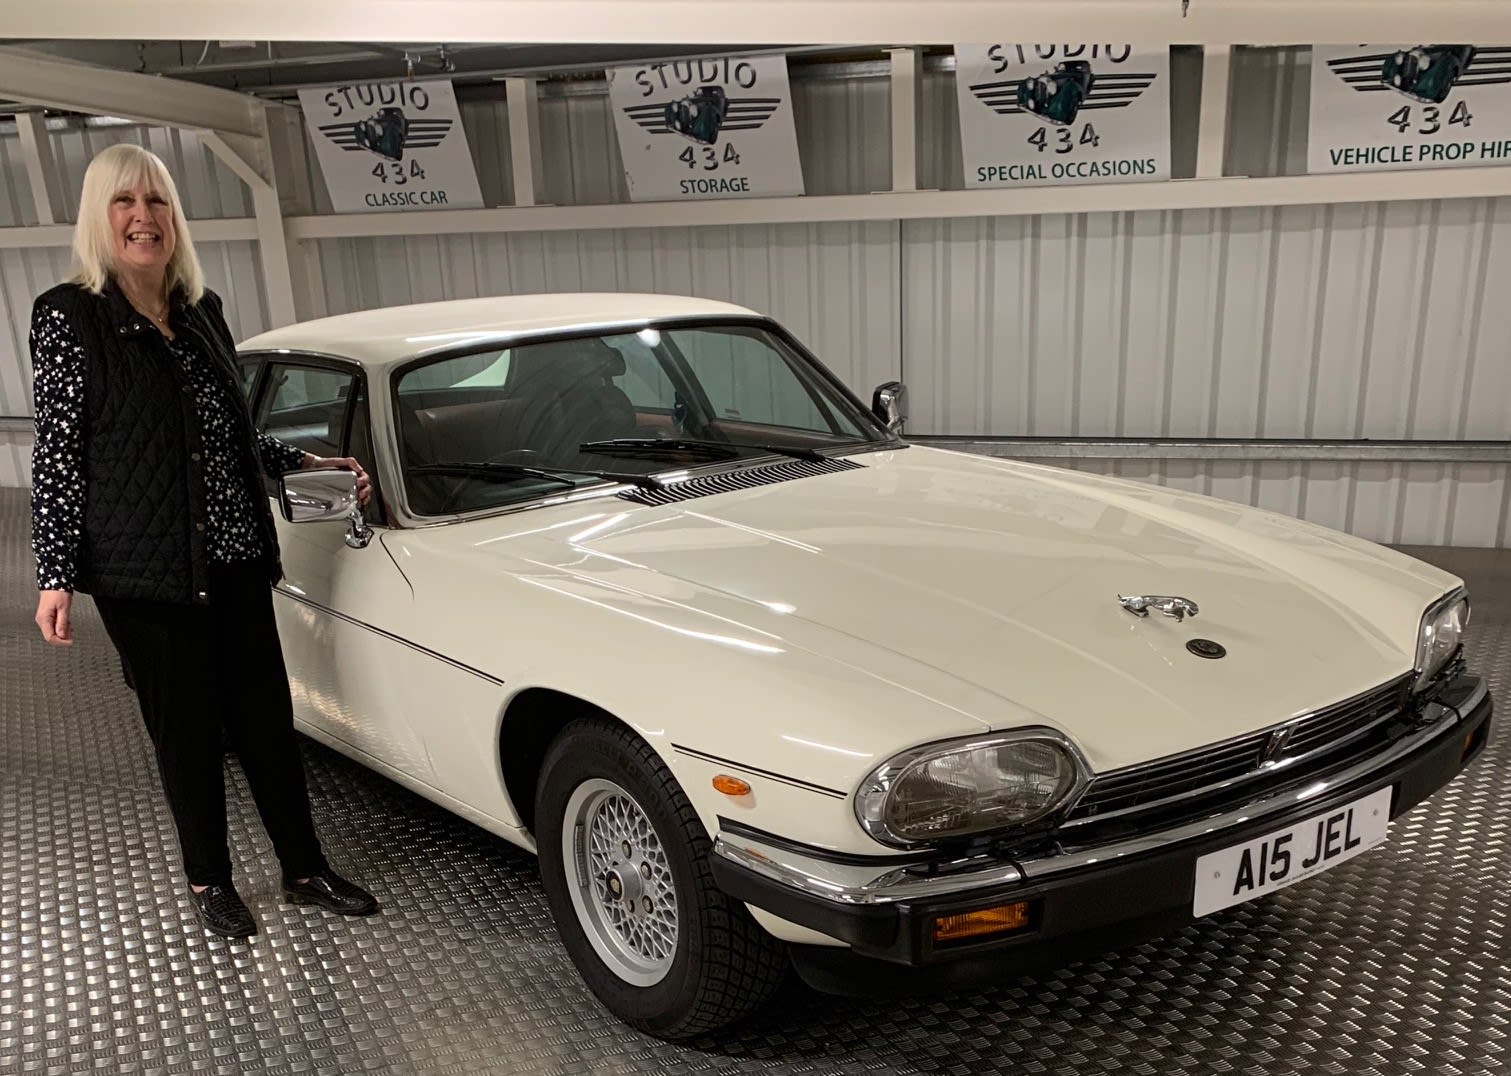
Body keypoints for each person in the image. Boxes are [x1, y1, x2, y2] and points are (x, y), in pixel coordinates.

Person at [28, 142, 379, 939]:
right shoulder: (70, 316)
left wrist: (306, 465)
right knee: (186, 731)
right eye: (125, 203)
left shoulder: (201, 312)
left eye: (156, 203)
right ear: (99, 217)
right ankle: (208, 879)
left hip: (236, 559)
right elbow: (59, 453)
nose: (143, 218)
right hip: (144, 573)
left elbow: (235, 440)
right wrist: (53, 573)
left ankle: (302, 866)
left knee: (264, 719)